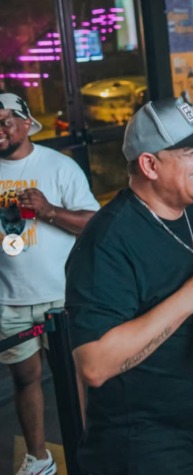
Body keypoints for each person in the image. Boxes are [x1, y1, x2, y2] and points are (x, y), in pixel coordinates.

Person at [66, 98, 193, 474]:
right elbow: (94, 364)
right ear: (149, 165)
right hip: (152, 450)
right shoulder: (107, 240)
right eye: (190, 151)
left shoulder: (192, 212)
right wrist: (188, 299)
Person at [0, 92, 99, 475]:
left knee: (71, 378)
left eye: (7, 120)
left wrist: (49, 211)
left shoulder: (59, 167)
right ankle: (38, 459)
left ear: (27, 123)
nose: (1, 129)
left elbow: (95, 223)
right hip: (9, 298)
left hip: (60, 295)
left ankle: (86, 452)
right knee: (24, 379)